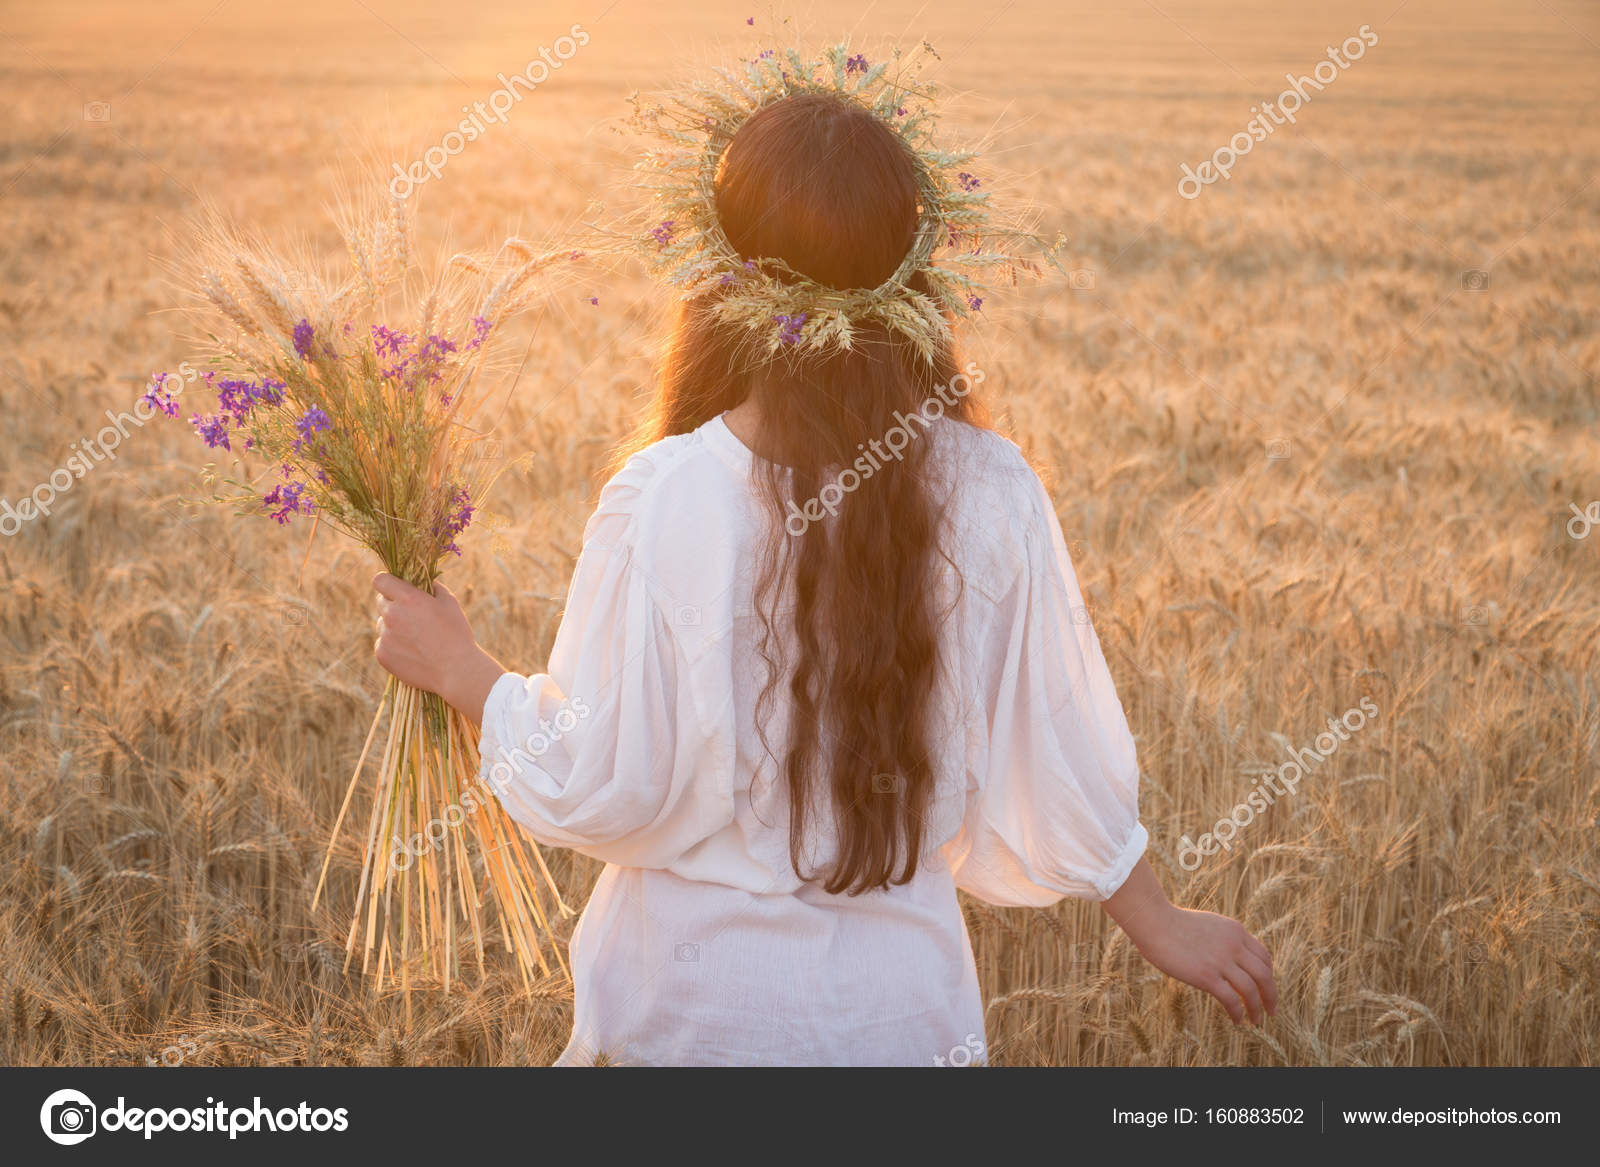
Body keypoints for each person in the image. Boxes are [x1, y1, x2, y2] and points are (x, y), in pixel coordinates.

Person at [371, 71, 1275, 1066]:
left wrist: (462, 671)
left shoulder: (666, 494)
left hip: (689, 1021)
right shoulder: (989, 487)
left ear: (725, 277)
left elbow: (603, 783)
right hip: (902, 1028)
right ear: (909, 271)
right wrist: (1159, 920)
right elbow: (1054, 731)